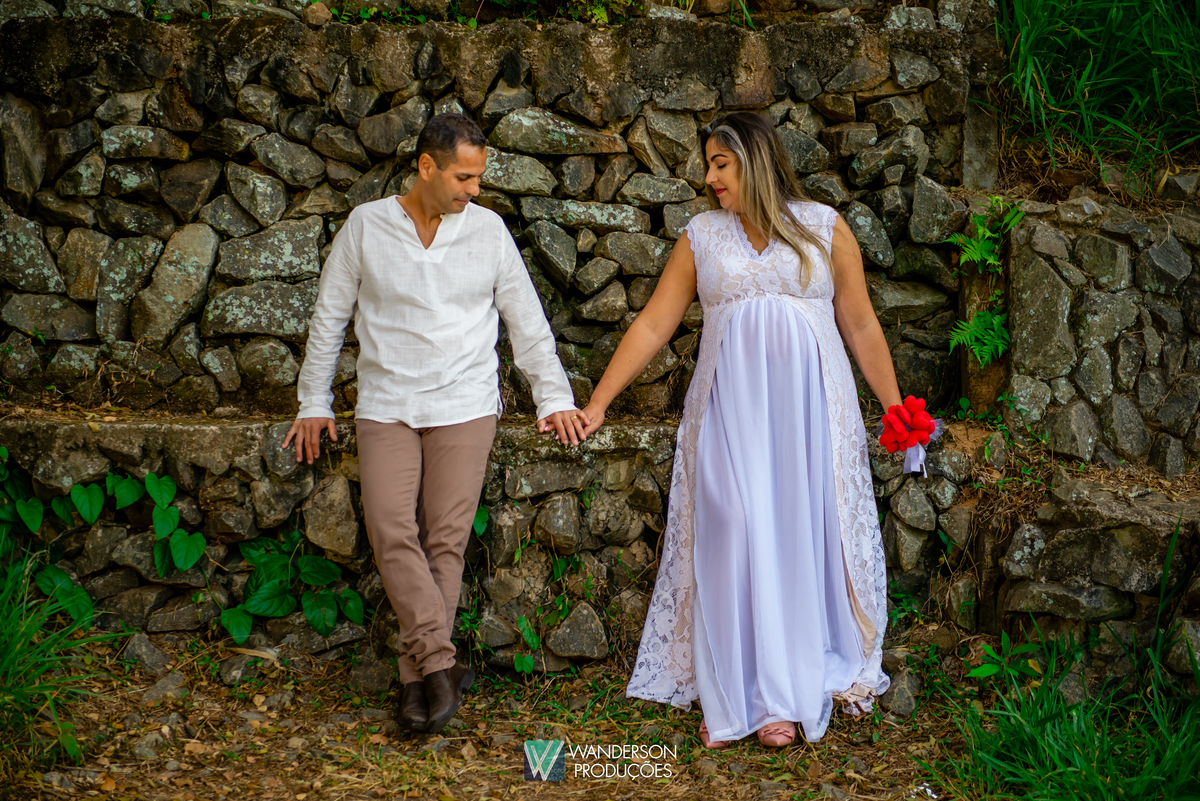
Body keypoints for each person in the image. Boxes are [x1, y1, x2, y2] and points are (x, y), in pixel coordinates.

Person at [579, 111, 897, 748]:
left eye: (720, 164)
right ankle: (733, 685)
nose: (709, 177)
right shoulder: (701, 236)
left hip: (809, 417)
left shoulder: (823, 227)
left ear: (756, 161)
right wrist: (599, 403)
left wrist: (896, 409)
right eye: (708, 165)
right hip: (728, 412)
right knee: (732, 527)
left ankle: (780, 696)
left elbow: (860, 323)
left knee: (798, 535)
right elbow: (654, 323)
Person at [284, 113, 589, 735]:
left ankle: (415, 680)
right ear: (427, 167)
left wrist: (553, 397)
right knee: (390, 528)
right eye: (464, 177)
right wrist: (313, 401)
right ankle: (441, 666)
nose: (475, 189)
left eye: (479, 178)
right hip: (387, 402)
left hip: (464, 403)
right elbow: (329, 318)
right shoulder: (366, 226)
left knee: (444, 541)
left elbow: (526, 322)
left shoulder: (489, 231)